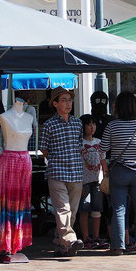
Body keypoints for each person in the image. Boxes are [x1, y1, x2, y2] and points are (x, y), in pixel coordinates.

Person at [100, 92, 136, 256]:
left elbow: (102, 150)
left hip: (119, 172)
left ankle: (118, 246)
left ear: (119, 107)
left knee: (118, 209)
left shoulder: (112, 126)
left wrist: (105, 169)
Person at [39, 87, 84, 257]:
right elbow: (44, 149)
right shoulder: (49, 125)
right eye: (64, 100)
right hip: (57, 172)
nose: (68, 103)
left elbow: (79, 145)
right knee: (62, 208)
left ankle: (61, 243)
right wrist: (57, 159)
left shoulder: (77, 123)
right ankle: (70, 239)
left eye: (70, 100)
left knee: (71, 210)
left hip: (76, 172)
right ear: (55, 104)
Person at [0, 98, 34, 261]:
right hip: (9, 160)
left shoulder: (29, 117)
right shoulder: (4, 116)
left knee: (22, 203)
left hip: (25, 160)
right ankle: (5, 242)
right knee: (7, 202)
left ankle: (17, 242)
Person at [78, 114, 109, 249]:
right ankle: (86, 238)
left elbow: (103, 161)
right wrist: (78, 183)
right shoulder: (79, 144)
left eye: (94, 124)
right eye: (89, 124)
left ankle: (96, 237)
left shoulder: (98, 142)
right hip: (83, 181)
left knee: (97, 209)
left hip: (97, 180)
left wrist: (106, 176)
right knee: (84, 209)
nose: (92, 127)